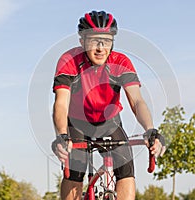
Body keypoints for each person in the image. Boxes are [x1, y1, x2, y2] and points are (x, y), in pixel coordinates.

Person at [51, 10, 166, 200]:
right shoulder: (69, 61)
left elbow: (137, 101)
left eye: (106, 40)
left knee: (126, 169)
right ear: (82, 42)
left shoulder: (121, 62)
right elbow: (61, 104)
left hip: (109, 121)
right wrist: (62, 135)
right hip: (77, 122)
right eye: (94, 40)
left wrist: (150, 129)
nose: (100, 47)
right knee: (74, 172)